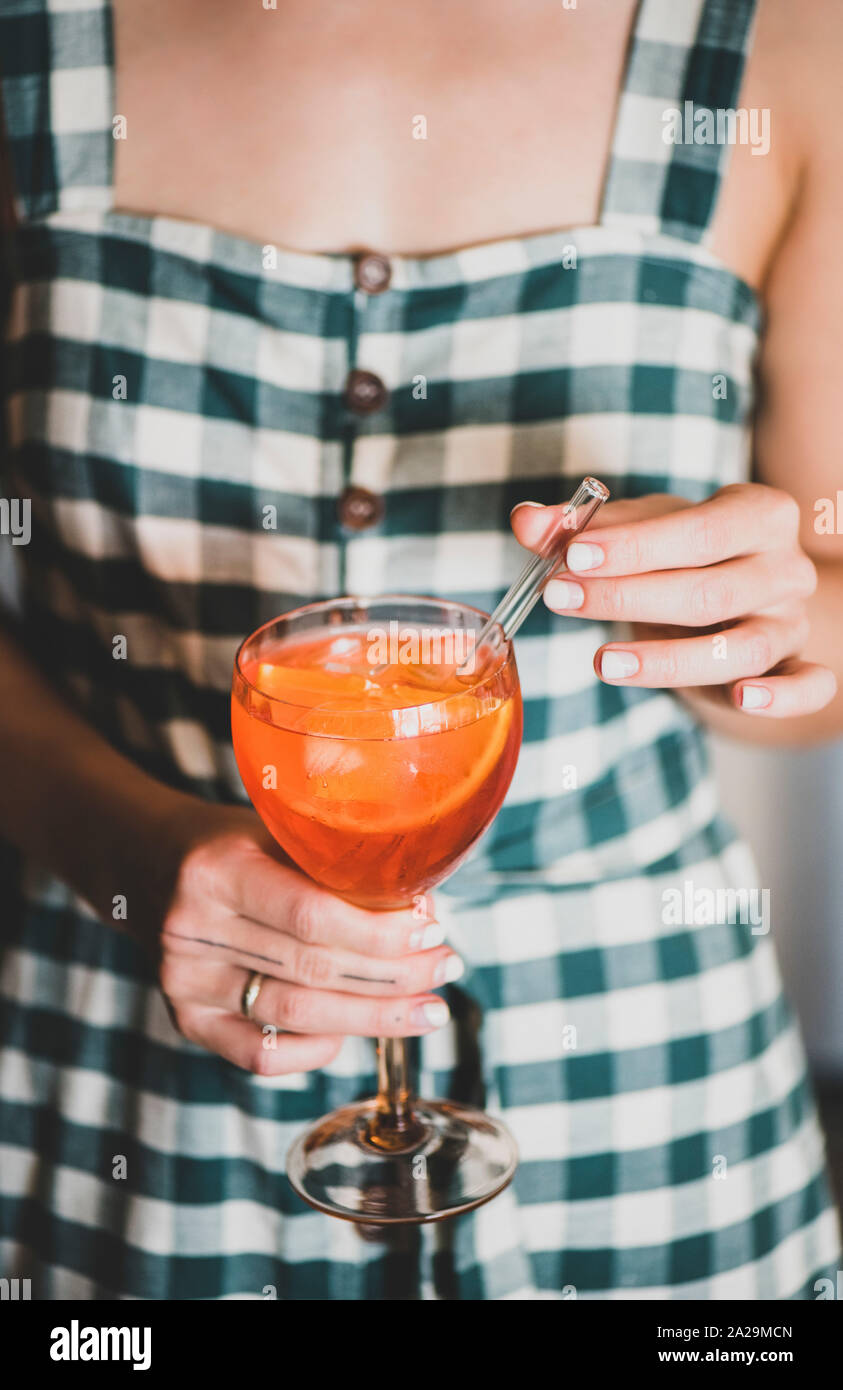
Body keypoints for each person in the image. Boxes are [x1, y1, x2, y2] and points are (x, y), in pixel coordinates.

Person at [0, 0, 841, 1300]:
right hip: (113, 1062)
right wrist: (129, 845)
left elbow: (831, 616)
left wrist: (771, 632)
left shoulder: (792, 44)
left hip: (636, 1076)